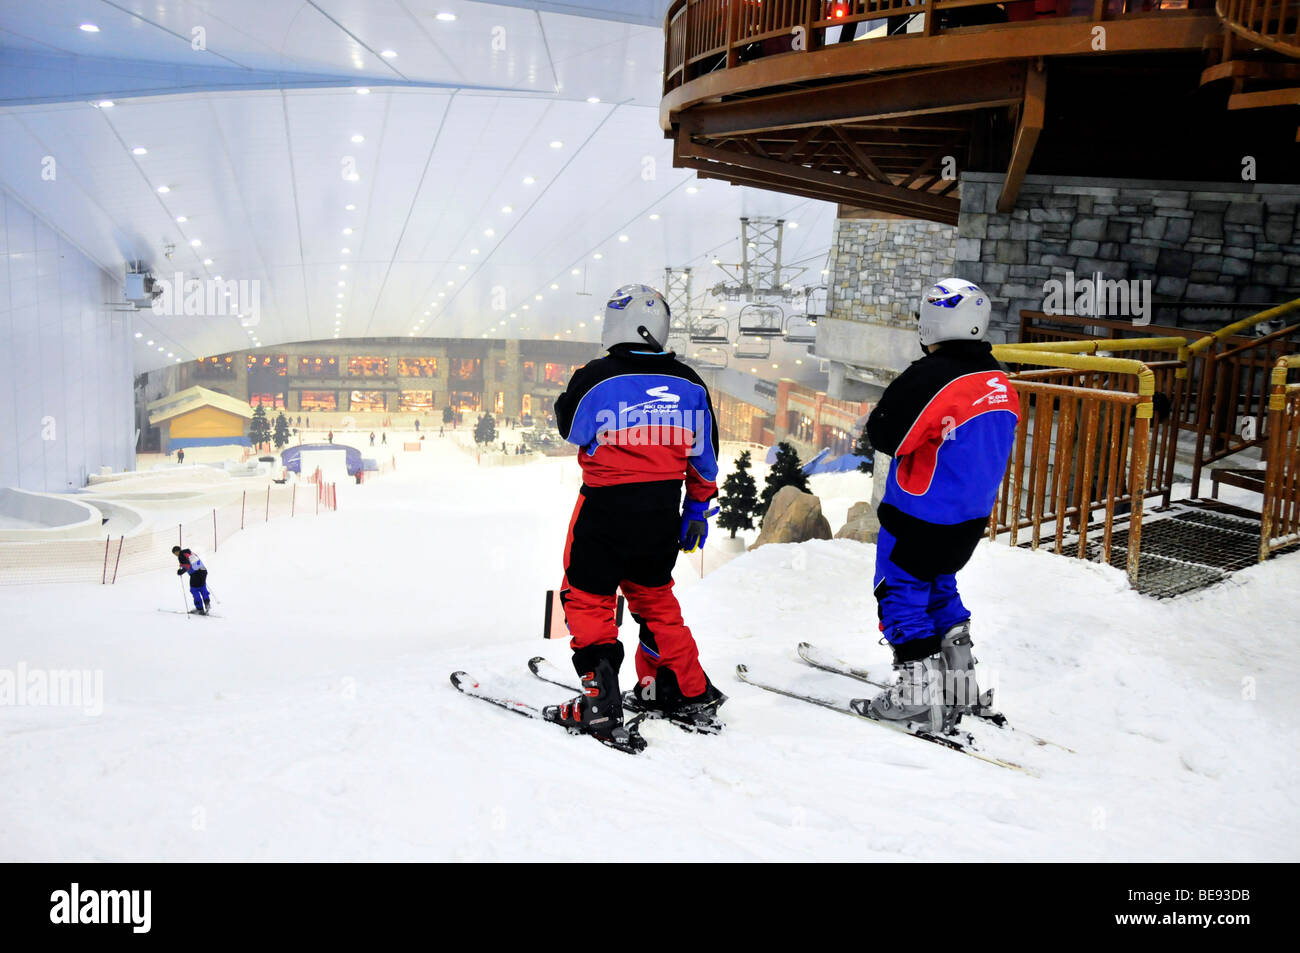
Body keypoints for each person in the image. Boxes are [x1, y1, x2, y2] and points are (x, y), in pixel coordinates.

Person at [547, 283, 725, 747]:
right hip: (661, 512)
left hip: (604, 510)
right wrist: (697, 510)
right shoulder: (690, 384)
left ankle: (599, 705)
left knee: (587, 599)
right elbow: (704, 459)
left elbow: (571, 427)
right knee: (655, 597)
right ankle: (686, 688)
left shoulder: (597, 377)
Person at [857, 278, 1020, 730]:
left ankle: (915, 695)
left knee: (900, 595)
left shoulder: (933, 377)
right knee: (940, 588)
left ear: (932, 321)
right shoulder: (998, 380)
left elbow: (886, 434)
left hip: (918, 515)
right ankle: (961, 688)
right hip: (966, 519)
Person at [172, 546, 211, 614]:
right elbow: (192, 561)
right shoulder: (189, 552)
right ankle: (207, 603)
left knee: (194, 590)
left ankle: (199, 608)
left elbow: (187, 565)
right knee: (202, 587)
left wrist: (181, 571)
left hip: (195, 574)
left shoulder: (181, 555)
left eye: (175, 553)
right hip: (203, 571)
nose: (175, 555)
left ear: (177, 551)